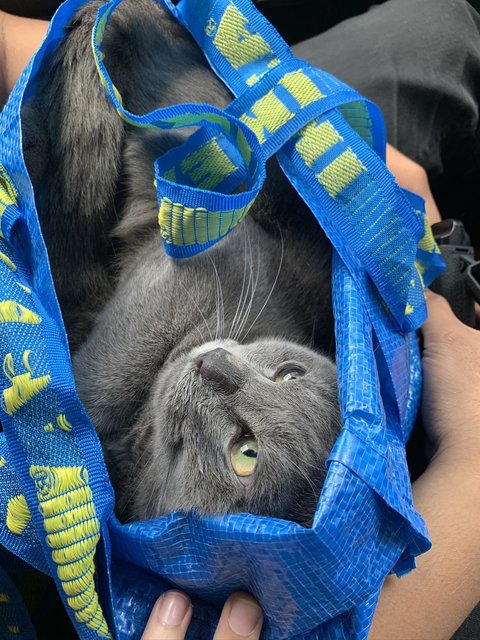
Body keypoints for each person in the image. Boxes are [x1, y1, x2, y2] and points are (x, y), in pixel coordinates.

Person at [1, 1, 480, 638]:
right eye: (284, 376)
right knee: (444, 26)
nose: (228, 368)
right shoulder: (248, 297)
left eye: (246, 451)